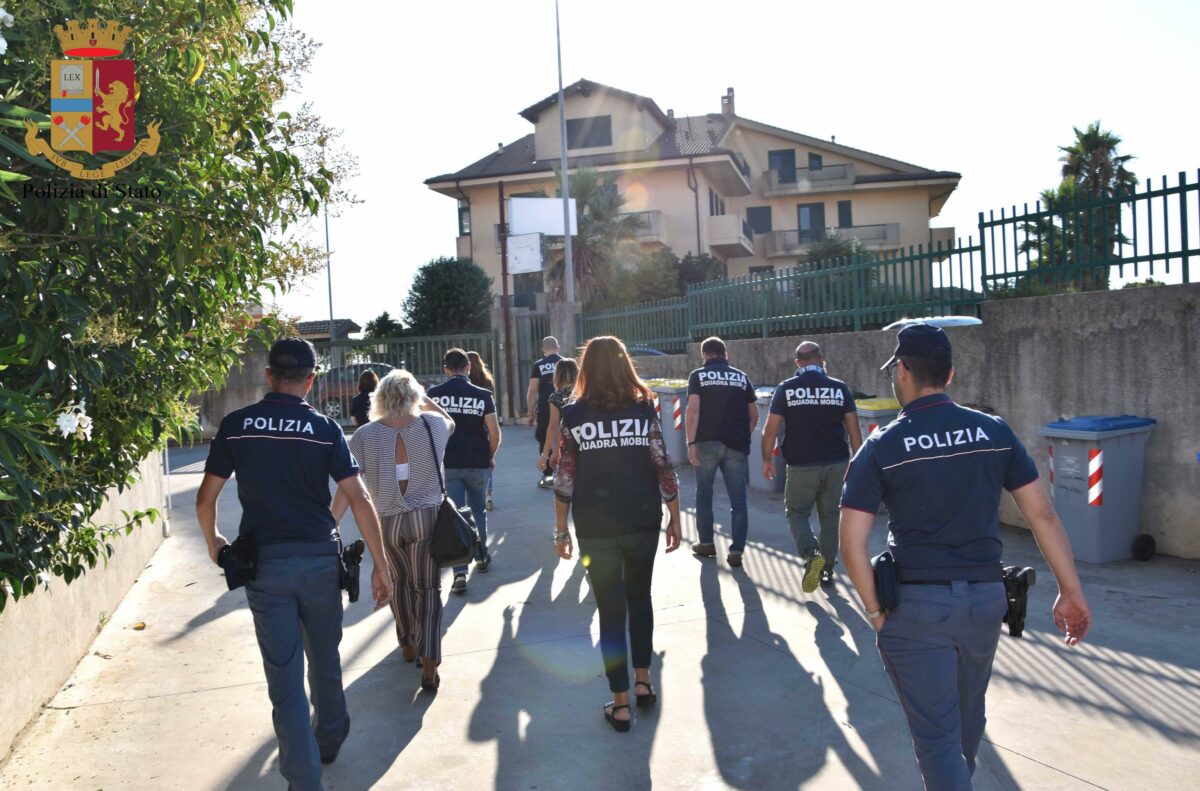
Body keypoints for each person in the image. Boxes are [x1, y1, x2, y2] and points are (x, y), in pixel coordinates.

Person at [839, 323, 1092, 789]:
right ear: (950, 374)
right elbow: (1043, 516)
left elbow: (851, 543)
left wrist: (875, 612)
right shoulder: (993, 431)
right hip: (985, 602)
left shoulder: (882, 446)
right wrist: (1070, 592)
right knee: (967, 717)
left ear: (903, 371)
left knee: (937, 739)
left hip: (917, 608)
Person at [195, 338, 392, 791]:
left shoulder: (237, 425)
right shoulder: (325, 430)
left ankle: (304, 781)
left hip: (265, 567)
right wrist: (382, 565)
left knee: (283, 676)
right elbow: (359, 498)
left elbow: (207, 499)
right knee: (324, 656)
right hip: (321, 561)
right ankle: (329, 736)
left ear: (268, 376)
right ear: (311, 379)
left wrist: (214, 543)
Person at [553, 336, 682, 732]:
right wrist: (675, 515)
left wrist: (561, 531)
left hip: (595, 525)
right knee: (639, 599)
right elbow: (662, 464)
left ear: (586, 368)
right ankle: (644, 681)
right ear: (626, 364)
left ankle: (621, 703)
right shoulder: (643, 410)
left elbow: (565, 477)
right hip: (642, 517)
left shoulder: (572, 415)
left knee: (610, 610)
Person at [333, 369, 456, 692]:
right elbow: (451, 422)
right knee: (428, 589)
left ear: (379, 399)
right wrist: (426, 401)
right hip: (427, 518)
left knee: (398, 583)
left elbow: (348, 488)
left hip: (385, 521)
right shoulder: (433, 425)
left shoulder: (362, 436)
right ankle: (430, 659)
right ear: (415, 397)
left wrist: (330, 523)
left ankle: (407, 642)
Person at [761, 341, 862, 592]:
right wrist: (858, 464)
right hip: (836, 463)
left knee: (797, 512)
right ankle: (826, 569)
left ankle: (811, 553)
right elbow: (854, 431)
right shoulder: (840, 388)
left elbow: (770, 430)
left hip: (801, 464)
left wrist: (766, 459)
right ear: (821, 359)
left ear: (798, 363)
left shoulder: (787, 388)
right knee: (830, 517)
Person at [428, 348, 501, 594]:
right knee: (478, 510)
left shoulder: (434, 395)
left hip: (447, 464)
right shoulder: (483, 394)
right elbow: (494, 432)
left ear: (446, 369)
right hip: (477, 463)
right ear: (469, 368)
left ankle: (460, 572)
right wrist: (489, 456)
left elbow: (426, 431)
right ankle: (481, 555)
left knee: (456, 515)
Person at [685, 337, 758, 567]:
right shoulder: (741, 377)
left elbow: (693, 411)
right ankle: (736, 551)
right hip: (736, 444)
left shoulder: (698, 376)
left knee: (704, 494)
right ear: (725, 354)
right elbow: (754, 414)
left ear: (705, 355)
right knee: (738, 500)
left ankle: (706, 543)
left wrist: (691, 443)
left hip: (706, 443)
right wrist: (744, 434)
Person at [527, 336, 562, 488]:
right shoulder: (566, 363)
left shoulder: (539, 365)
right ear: (558, 347)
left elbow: (533, 390)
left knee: (543, 437)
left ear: (543, 350)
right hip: (566, 405)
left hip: (546, 406)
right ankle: (566, 472)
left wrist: (530, 412)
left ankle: (547, 475)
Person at [467, 350, 498, 511]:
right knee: (487, 458)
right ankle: (488, 495)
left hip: (468, 423)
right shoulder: (487, 381)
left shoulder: (466, 381)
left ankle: (472, 494)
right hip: (485, 422)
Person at [537, 357, 578, 471]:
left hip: (567, 442)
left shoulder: (556, 396)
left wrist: (546, 454)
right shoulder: (584, 391)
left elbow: (552, 426)